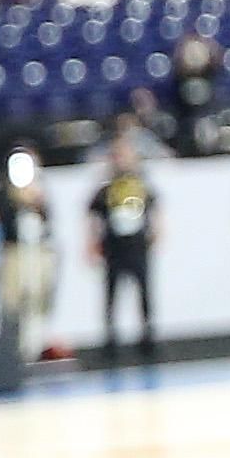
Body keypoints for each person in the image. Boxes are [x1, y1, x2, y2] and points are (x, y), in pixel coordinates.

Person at [87, 124, 162, 361]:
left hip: (137, 245)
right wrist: (92, 242)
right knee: (112, 293)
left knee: (144, 292)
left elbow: (155, 209)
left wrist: (157, 233)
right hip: (114, 247)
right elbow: (93, 215)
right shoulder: (106, 188)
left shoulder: (140, 185)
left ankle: (147, 336)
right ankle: (111, 339)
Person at [0, 145, 61, 361]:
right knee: (13, 302)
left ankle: (35, 346)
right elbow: (3, 222)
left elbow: (47, 221)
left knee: (38, 298)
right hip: (15, 253)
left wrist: (36, 202)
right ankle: (14, 349)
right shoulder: (3, 194)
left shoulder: (40, 190)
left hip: (38, 251)